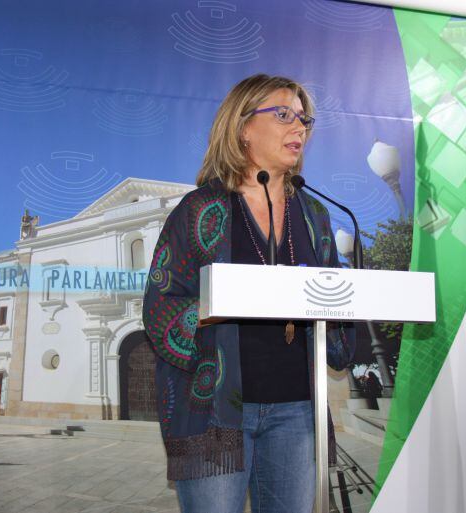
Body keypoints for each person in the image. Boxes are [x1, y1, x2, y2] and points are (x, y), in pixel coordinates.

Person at [142, 73, 355, 513]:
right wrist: (216, 305)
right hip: (214, 415)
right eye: (283, 115)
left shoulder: (315, 214)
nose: (299, 128)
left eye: (304, 119)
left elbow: (335, 312)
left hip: (298, 411)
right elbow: (160, 307)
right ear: (243, 127)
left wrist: (347, 302)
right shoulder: (199, 209)